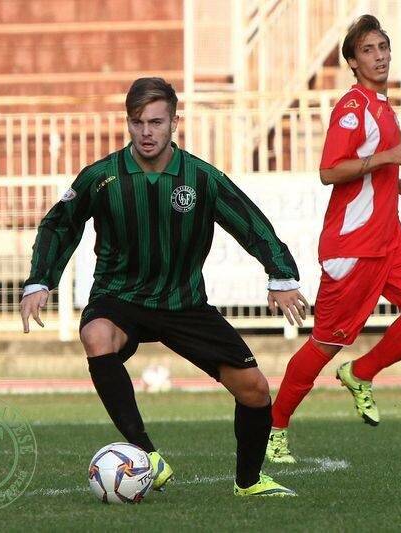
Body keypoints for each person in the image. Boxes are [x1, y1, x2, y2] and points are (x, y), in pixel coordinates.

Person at [20, 77, 308, 498]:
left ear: (175, 122)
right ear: (128, 123)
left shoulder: (201, 177)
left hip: (183, 302)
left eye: (156, 122)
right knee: (96, 336)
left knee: (256, 390)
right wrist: (40, 280)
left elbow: (251, 223)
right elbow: (58, 225)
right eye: (137, 123)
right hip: (120, 296)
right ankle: (145, 455)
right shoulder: (102, 177)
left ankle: (249, 482)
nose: (146, 132)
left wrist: (280, 275)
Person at [267, 15, 401, 463]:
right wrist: (388, 157)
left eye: (383, 46)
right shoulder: (352, 107)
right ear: (352, 61)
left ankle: (361, 373)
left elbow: (369, 172)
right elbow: (330, 170)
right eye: (368, 50)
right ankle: (274, 430)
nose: (379, 55)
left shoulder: (383, 106)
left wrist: (397, 183)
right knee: (326, 343)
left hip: (391, 238)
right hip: (353, 245)